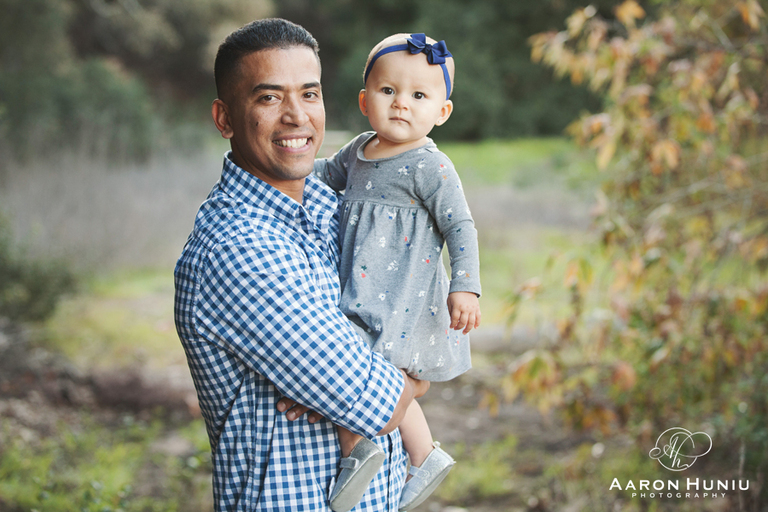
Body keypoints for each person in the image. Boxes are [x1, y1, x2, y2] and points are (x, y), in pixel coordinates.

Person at [173, 18, 429, 512]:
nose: (296, 116)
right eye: (269, 98)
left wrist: (385, 369)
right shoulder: (236, 248)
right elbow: (374, 396)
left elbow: (420, 290)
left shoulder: (332, 205)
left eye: (309, 94)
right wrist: (412, 377)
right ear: (224, 118)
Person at [314, 33, 482, 511]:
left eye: (419, 95)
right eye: (389, 92)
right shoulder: (360, 151)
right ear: (366, 101)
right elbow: (323, 174)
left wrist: (466, 286)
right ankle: (423, 453)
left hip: (402, 294)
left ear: (441, 112)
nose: (402, 104)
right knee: (373, 375)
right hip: (361, 289)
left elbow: (461, 227)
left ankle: (357, 451)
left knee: (357, 375)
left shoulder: (431, 166)